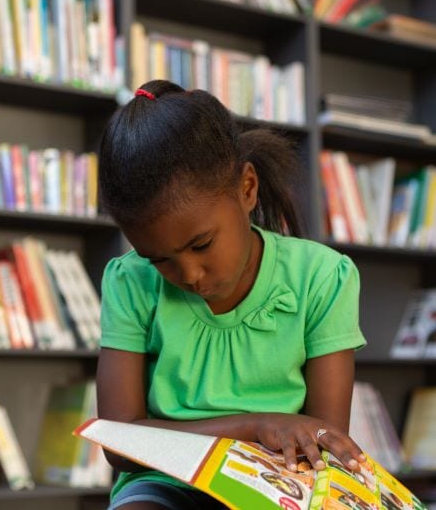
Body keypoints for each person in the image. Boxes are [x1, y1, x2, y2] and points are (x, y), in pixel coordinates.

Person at [97, 80, 367, 510]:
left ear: (247, 188)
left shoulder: (322, 277)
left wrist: (276, 436)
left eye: (201, 244)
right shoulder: (129, 281)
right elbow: (118, 441)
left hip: (281, 485)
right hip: (165, 486)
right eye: (157, 259)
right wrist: (255, 425)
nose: (188, 274)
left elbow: (325, 440)